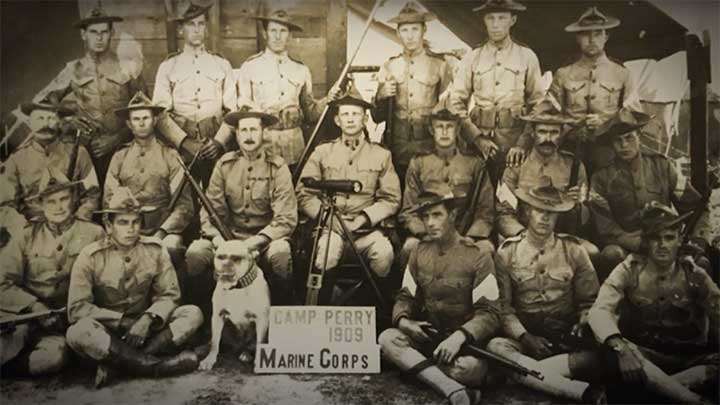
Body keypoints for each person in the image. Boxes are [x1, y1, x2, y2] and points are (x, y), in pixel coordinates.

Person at [65, 187, 204, 388]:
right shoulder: (90, 256)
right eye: (123, 222)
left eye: (136, 221)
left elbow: (169, 295)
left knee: (193, 314)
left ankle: (118, 365)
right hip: (107, 332)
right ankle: (156, 366)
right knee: (78, 332)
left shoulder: (155, 250)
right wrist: (122, 322)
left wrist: (147, 319)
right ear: (108, 225)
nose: (131, 229)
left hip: (145, 330)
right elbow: (77, 308)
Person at [588, 201, 719, 404]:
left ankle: (663, 391)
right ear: (646, 242)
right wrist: (620, 347)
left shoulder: (694, 272)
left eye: (669, 238)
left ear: (679, 240)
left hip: (689, 359)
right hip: (645, 358)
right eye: (655, 238)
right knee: (611, 353)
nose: (662, 245)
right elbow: (599, 311)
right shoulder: (629, 269)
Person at [488, 180, 605, 403]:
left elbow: (590, 302)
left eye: (551, 212)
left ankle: (524, 375)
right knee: (495, 347)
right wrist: (526, 337)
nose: (545, 218)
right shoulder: (507, 253)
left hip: (565, 340)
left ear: (558, 216)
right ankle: (580, 392)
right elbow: (504, 307)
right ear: (527, 212)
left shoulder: (574, 250)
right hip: (525, 339)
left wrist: (582, 322)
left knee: (599, 356)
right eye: (539, 210)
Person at [379, 191, 500, 405]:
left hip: (462, 346)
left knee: (467, 368)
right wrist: (405, 322)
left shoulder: (477, 255)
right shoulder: (419, 252)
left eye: (437, 215)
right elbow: (405, 296)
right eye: (425, 217)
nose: (430, 223)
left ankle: (418, 369)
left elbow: (489, 314)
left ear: (452, 215)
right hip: (429, 339)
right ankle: (456, 391)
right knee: (387, 339)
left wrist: (459, 337)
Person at [296, 86, 401, 302]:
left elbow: (391, 198)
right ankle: (325, 307)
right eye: (345, 114)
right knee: (326, 253)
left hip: (365, 231)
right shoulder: (322, 152)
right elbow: (304, 193)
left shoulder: (381, 155)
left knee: (384, 254)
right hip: (330, 230)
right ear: (337, 120)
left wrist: (364, 218)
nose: (350, 119)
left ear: (364, 119)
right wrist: (329, 220)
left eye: (356, 114)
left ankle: (365, 307)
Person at [185, 108, 298, 304]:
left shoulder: (278, 167)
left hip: (264, 242)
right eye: (243, 130)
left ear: (264, 133)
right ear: (236, 135)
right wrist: (220, 241)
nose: (248, 136)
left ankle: (278, 314)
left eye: (254, 130)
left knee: (281, 253)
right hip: (228, 238)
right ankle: (203, 314)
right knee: (196, 253)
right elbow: (210, 212)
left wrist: (253, 243)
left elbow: (286, 218)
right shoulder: (224, 165)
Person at [0, 168, 105, 376]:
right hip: (26, 317)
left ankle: (12, 369)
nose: (58, 207)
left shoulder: (94, 233)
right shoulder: (25, 236)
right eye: (51, 201)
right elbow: (3, 282)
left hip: (66, 321)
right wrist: (33, 306)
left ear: (74, 199)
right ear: (41, 204)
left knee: (52, 360)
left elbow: (104, 283)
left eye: (64, 199)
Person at [589, 109, 710, 277]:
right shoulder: (601, 177)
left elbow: (697, 208)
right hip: (627, 246)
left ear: (639, 135)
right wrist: (637, 243)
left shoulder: (662, 166)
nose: (624, 145)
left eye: (629, 138)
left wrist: (698, 239)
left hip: (664, 241)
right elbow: (606, 229)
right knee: (611, 255)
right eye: (617, 141)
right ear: (611, 144)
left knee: (701, 263)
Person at [35, 4, 146, 183]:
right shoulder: (73, 69)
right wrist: (67, 121)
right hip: (87, 151)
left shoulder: (128, 67)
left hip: (125, 149)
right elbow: (42, 102)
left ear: (112, 33)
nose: (99, 37)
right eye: (94, 32)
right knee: (89, 198)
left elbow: (144, 108)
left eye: (104, 32)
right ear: (83, 34)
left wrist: (118, 138)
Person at [223, 9, 339, 169]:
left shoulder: (301, 70)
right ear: (265, 33)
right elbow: (244, 112)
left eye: (283, 31)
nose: (278, 36)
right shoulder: (250, 67)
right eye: (273, 30)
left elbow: (310, 113)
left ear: (290, 35)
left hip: (294, 149)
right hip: (262, 148)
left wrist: (328, 99)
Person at [449, 0, 544, 184]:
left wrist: (523, 144)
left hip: (514, 144)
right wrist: (476, 138)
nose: (495, 24)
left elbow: (537, 105)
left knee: (510, 197)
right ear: (484, 20)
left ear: (513, 20)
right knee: (478, 197)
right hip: (478, 142)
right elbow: (456, 101)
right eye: (490, 18)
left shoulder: (526, 56)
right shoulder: (473, 57)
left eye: (502, 18)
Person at [496, 95, 598, 258]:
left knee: (592, 252)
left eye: (554, 132)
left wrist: (578, 204)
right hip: (523, 236)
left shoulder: (574, 166)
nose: (548, 139)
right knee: (503, 253)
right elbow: (503, 212)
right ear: (533, 133)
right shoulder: (517, 165)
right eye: (542, 132)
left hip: (561, 237)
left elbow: (586, 219)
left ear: (560, 134)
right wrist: (522, 236)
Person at [153, 1, 236, 187]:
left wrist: (219, 142)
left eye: (201, 24)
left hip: (214, 141)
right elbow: (159, 112)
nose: (197, 29)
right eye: (191, 24)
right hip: (180, 147)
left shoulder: (222, 64)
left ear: (206, 28)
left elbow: (233, 110)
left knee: (217, 197)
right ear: (181, 29)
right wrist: (184, 142)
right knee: (183, 199)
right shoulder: (168, 66)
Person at [105, 91, 193, 264]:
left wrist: (162, 232)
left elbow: (184, 206)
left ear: (154, 121)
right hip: (126, 227)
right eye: (136, 119)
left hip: (162, 227)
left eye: (146, 118)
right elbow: (108, 201)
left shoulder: (170, 155)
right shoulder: (119, 157)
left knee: (171, 247)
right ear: (129, 124)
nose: (142, 123)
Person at [371, 2, 454, 185]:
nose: (410, 36)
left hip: (430, 147)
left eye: (414, 29)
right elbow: (377, 117)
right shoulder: (389, 66)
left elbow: (449, 112)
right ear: (398, 33)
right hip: (397, 148)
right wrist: (381, 96)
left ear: (424, 30)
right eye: (405, 30)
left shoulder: (440, 65)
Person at [550, 7, 641, 173]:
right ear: (578, 37)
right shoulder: (563, 74)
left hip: (608, 152)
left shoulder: (622, 74)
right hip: (570, 149)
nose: (592, 39)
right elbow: (548, 112)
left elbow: (634, 116)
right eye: (585, 34)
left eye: (598, 33)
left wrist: (607, 123)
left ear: (606, 37)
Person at [400, 108, 494, 263]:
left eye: (449, 127)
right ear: (431, 130)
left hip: (465, 233)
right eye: (439, 127)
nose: (444, 132)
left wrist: (471, 237)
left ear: (457, 129)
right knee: (410, 247)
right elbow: (409, 210)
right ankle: (408, 287)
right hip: (429, 232)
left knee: (487, 249)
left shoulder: (474, 163)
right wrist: (425, 234)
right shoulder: (418, 163)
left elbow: (485, 209)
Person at [4, 95, 99, 221]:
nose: (45, 124)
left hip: (73, 224)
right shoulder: (16, 159)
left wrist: (79, 220)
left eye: (51, 118)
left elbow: (92, 194)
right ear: (29, 123)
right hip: (34, 227)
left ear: (60, 123)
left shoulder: (79, 153)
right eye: (40, 118)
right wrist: (24, 228)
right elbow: (7, 203)